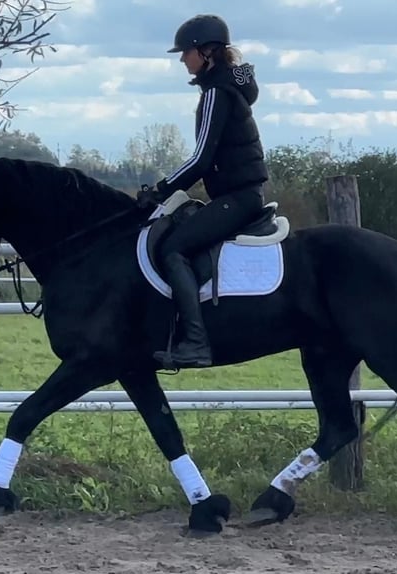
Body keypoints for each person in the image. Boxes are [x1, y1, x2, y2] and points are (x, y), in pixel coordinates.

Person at [139, 14, 269, 369]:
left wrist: (160, 190)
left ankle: (195, 343)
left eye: (186, 52)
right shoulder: (229, 86)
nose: (183, 59)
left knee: (173, 249)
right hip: (242, 194)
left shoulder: (216, 93)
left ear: (206, 52)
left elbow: (199, 160)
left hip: (237, 198)